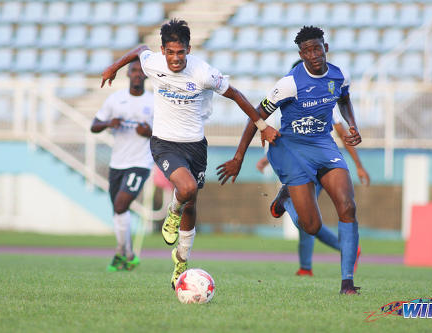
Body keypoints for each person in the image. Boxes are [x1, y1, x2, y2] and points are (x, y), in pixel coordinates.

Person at [100, 19, 280, 288]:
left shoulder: (204, 73)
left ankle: (181, 260)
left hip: (195, 146)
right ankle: (172, 213)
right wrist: (114, 67)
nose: (175, 58)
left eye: (181, 52)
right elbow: (139, 49)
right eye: (170, 52)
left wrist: (262, 125)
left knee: (192, 202)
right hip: (164, 143)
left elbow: (238, 96)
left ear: (188, 49)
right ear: (163, 51)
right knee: (186, 189)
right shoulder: (153, 64)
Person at [217, 26, 362, 294]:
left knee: (348, 206)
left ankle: (347, 283)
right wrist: (239, 157)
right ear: (301, 54)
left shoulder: (339, 76)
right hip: (289, 149)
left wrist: (353, 125)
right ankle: (285, 200)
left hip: (322, 144)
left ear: (325, 48)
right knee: (312, 225)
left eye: (317, 48)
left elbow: (345, 100)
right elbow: (256, 116)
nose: (313, 54)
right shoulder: (289, 84)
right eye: (307, 51)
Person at [257, 106, 370, 277]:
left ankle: (337, 252)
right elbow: (296, 135)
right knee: (308, 219)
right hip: (313, 163)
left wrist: (359, 165)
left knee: (306, 216)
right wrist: (268, 158)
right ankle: (307, 266)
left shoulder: (326, 101)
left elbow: (342, 133)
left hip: (318, 166)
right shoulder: (306, 99)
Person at [91, 60, 153, 272]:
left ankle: (120, 253)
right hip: (117, 163)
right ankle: (127, 256)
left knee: (120, 205)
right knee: (118, 211)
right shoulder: (115, 100)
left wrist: (150, 133)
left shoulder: (153, 102)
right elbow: (94, 126)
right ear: (127, 74)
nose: (137, 74)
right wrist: (109, 123)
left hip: (140, 163)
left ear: (146, 76)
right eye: (133, 70)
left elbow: (164, 135)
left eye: (141, 71)